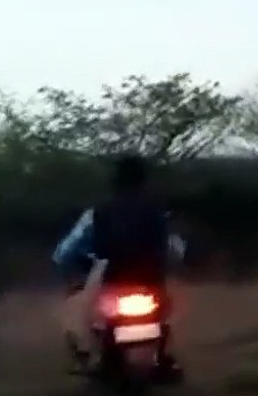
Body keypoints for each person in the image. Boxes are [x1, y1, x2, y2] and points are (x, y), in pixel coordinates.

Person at [52, 154, 185, 373]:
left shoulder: (97, 213)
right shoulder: (157, 212)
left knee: (86, 314)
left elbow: (64, 253)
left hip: (114, 280)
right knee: (166, 311)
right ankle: (161, 356)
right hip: (150, 283)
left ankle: (95, 356)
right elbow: (175, 250)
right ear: (144, 181)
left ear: (114, 182)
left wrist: (77, 273)